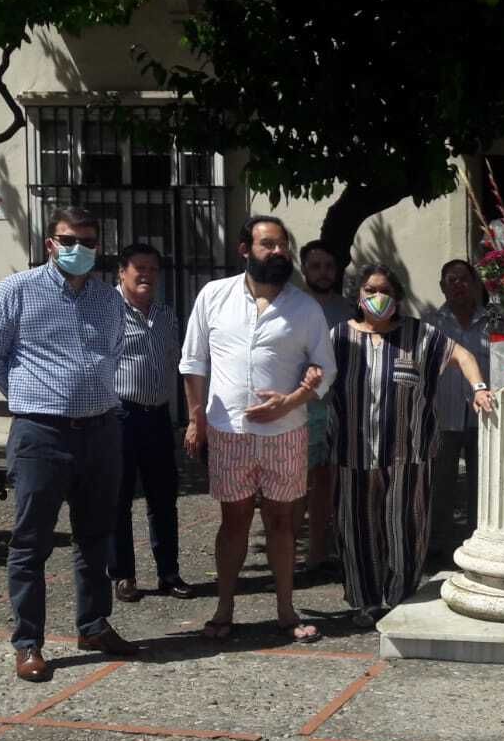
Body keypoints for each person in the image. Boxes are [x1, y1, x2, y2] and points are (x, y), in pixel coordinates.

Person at [0, 207, 138, 682]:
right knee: (32, 541)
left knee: (96, 536)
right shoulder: (16, 291)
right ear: (50, 243)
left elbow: (111, 353)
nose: (78, 249)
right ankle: (28, 643)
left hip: (100, 431)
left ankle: (93, 625)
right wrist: (33, 396)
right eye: (69, 240)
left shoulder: (108, 299)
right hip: (41, 434)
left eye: (88, 241)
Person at [179, 215, 336, 644]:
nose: (279, 252)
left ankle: (286, 611)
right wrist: (195, 418)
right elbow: (193, 362)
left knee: (282, 523)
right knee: (234, 521)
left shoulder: (305, 307)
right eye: (269, 244)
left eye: (283, 244)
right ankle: (224, 609)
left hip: (286, 431)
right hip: (228, 429)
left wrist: (292, 400)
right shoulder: (214, 296)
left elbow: (325, 368)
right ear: (245, 249)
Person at [329, 263, 494, 626]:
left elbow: (463, 355)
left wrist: (479, 388)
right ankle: (364, 601)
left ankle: (398, 597)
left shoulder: (421, 334)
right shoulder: (338, 337)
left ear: (398, 297)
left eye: (385, 291)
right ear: (359, 295)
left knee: (405, 528)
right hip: (352, 454)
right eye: (370, 290)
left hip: (409, 454)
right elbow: (312, 373)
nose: (378, 297)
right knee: (357, 529)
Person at [110, 243, 193, 603]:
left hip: (157, 415)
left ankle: (168, 573)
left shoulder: (165, 314)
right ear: (122, 271)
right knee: (119, 499)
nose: (146, 275)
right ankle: (123, 575)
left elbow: (177, 360)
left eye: (153, 269)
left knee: (163, 498)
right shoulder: (108, 310)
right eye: (139, 268)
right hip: (120, 415)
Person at [294, 239, 351, 581]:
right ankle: (288, 558)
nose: (323, 273)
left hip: (336, 407)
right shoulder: (291, 306)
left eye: (329, 266)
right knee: (294, 487)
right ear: (304, 270)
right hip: (299, 409)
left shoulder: (349, 310)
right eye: (315, 266)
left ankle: (318, 555)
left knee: (326, 485)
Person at [427, 259, 491, 561]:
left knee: (483, 484)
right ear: (442, 287)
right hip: (443, 416)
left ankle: (480, 540)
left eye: (464, 279)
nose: (458, 285)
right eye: (451, 280)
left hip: (485, 418)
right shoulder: (431, 324)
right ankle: (436, 543)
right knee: (440, 484)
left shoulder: (494, 322)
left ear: (475, 284)